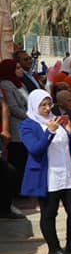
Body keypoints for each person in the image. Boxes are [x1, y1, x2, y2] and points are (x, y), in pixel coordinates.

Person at [20, 90, 71, 254]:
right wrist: (49, 132)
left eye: (49, 104)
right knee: (49, 213)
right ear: (34, 106)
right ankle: (54, 249)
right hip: (47, 175)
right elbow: (35, 149)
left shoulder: (56, 120)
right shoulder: (28, 125)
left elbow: (68, 148)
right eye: (43, 105)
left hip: (67, 173)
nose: (47, 108)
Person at [0, 59, 29, 191]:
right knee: (18, 159)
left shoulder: (20, 84)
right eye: (17, 68)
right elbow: (12, 107)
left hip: (27, 125)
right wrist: (32, 117)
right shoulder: (6, 84)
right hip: (17, 127)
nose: (20, 70)